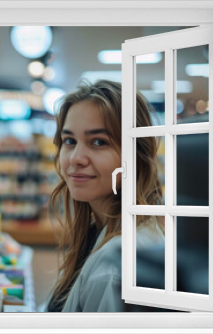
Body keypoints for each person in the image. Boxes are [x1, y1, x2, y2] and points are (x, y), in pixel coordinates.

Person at [46, 80, 165, 312]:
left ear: (135, 154)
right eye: (69, 141)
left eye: (99, 142)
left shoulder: (114, 266)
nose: (76, 158)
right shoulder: (96, 232)